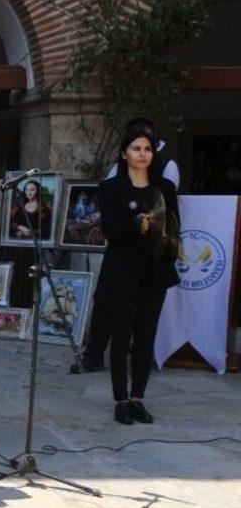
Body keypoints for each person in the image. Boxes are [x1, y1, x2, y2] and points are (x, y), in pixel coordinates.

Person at [76, 116, 180, 374]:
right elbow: (110, 215)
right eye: (134, 142)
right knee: (105, 305)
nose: (141, 151)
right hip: (121, 252)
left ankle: (138, 365)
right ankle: (94, 355)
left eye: (146, 143)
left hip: (151, 254)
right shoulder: (115, 176)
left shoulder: (167, 169)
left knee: (145, 318)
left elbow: (168, 215)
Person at [97, 130, 179, 425]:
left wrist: (164, 246)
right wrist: (135, 226)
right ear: (124, 153)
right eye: (136, 148)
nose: (143, 154)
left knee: (146, 337)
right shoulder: (110, 188)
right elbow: (108, 229)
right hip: (122, 270)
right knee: (121, 337)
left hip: (154, 272)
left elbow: (174, 227)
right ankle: (121, 400)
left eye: (147, 149)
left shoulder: (165, 188)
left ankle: (138, 398)